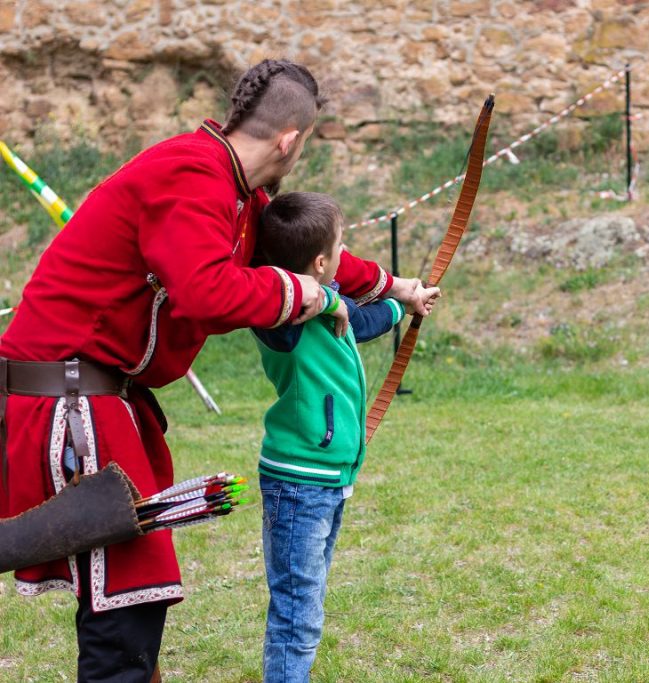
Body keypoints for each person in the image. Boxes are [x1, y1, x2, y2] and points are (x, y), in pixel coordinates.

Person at [0, 60, 432, 682]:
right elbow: (207, 291)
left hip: (99, 395)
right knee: (125, 600)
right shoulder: (190, 174)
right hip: (67, 397)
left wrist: (398, 288)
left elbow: (310, 259)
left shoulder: (239, 195)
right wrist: (305, 295)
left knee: (133, 597)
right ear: (290, 139)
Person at [252, 192, 438, 682]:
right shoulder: (281, 317)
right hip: (299, 483)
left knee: (306, 601)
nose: (345, 254)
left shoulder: (326, 306)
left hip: (325, 480)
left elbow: (361, 319)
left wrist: (406, 304)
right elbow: (280, 294)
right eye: (341, 247)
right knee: (298, 613)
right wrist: (333, 300)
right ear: (320, 262)